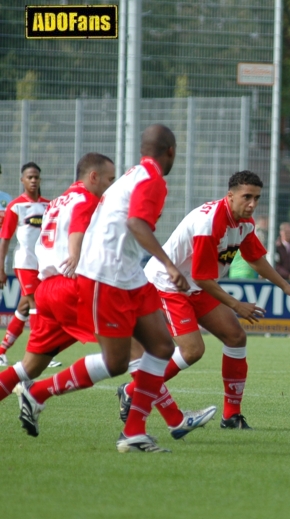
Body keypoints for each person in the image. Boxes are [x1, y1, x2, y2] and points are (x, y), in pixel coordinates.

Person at [15, 124, 204, 453]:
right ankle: (38, 392)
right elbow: (135, 223)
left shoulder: (134, 173)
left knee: (160, 348)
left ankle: (134, 432)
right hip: (106, 274)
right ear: (171, 151)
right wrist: (170, 266)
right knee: (117, 362)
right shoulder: (152, 180)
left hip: (128, 272)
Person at [115, 171, 290, 430]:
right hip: (168, 284)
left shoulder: (244, 223)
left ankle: (231, 416)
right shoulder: (210, 223)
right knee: (192, 350)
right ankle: (133, 389)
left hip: (196, 285)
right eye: (247, 197)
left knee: (235, 337)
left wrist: (286, 286)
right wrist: (236, 304)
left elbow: (255, 258)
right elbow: (202, 275)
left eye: (257, 198)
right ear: (230, 196)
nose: (252, 204)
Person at [0, 154, 119, 405]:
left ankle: (32, 389)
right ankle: (156, 422)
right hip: (71, 285)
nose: (112, 185)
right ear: (93, 177)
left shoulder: (55, 202)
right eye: (110, 180)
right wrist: (75, 256)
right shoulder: (87, 199)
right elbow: (77, 228)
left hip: (48, 288)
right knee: (135, 351)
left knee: (29, 367)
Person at [0, 162, 49, 366]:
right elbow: (5, 238)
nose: (33, 180)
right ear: (22, 180)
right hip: (25, 263)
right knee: (37, 304)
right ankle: (39, 352)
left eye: (36, 177)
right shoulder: (16, 206)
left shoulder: (49, 205)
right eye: (29, 177)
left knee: (23, 307)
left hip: (43, 265)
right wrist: (1, 267)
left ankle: (2, 350)